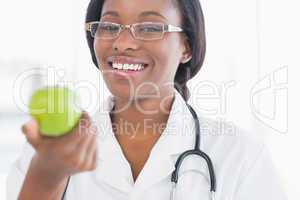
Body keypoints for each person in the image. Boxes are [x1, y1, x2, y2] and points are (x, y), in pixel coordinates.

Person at [7, 0, 287, 199]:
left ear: (187, 46)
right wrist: (46, 178)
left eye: (151, 28)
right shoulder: (48, 153)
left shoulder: (240, 157)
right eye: (109, 26)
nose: (124, 43)